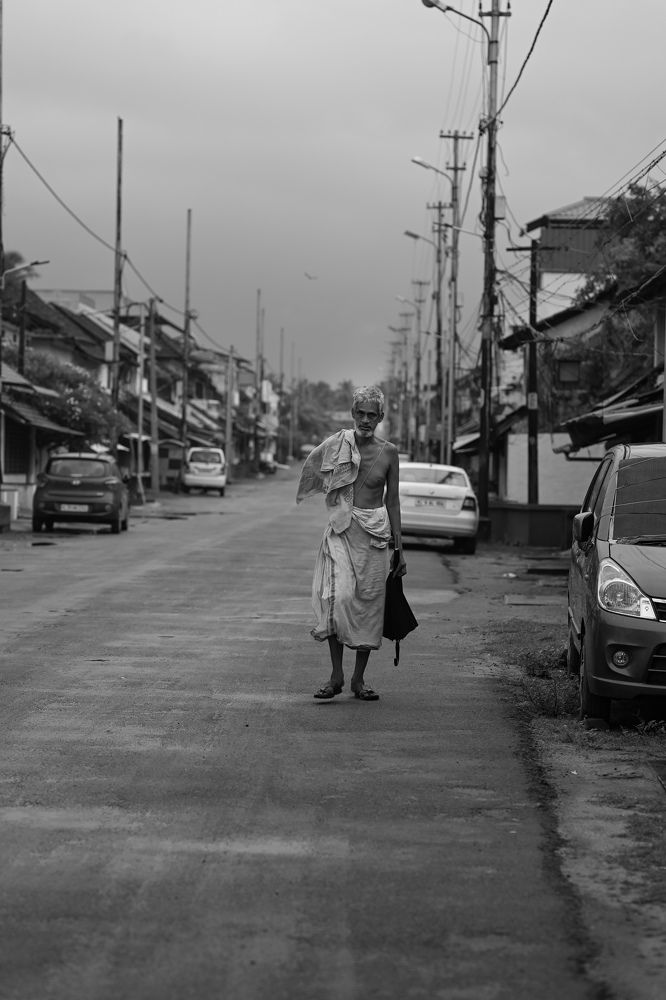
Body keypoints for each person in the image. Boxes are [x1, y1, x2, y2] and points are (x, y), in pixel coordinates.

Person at [296, 385, 406, 701]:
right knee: (337, 597)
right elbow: (314, 469)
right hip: (340, 532)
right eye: (361, 413)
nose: (366, 420)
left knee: (368, 605)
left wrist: (399, 548)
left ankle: (358, 680)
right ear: (353, 414)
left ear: (381, 417)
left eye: (373, 415)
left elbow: (393, 502)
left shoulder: (389, 453)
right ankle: (336, 675)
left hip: (374, 535)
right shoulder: (338, 446)